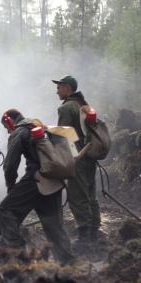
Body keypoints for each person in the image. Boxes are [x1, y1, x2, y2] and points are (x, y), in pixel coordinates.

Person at [0, 109, 74, 264]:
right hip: (53, 181)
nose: (7, 131)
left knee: (5, 210)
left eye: (6, 127)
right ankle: (67, 263)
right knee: (54, 227)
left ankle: (19, 255)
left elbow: (10, 165)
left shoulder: (19, 132)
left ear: (9, 121)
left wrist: (11, 188)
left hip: (35, 179)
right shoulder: (40, 127)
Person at [53, 75, 100, 243]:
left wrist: (58, 158)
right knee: (90, 193)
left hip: (77, 157)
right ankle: (94, 231)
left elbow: (63, 135)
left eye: (59, 87)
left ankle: (84, 236)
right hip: (90, 155)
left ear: (67, 88)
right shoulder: (83, 104)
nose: (57, 90)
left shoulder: (66, 108)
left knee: (77, 195)